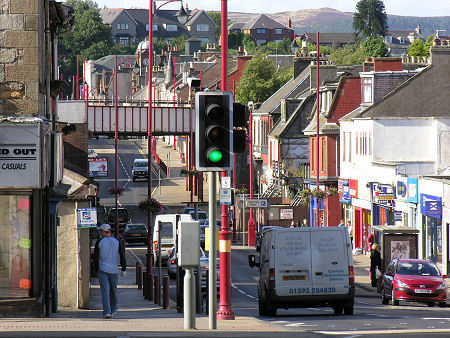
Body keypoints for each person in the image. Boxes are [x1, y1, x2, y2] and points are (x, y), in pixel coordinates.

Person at [94, 223, 127, 319]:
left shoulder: (99, 242)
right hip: (114, 270)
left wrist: (96, 269)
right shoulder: (116, 241)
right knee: (113, 290)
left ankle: (107, 312)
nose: (99, 232)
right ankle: (113, 309)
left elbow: (96, 257)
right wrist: (123, 268)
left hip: (103, 269)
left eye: (100, 231)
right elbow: (122, 255)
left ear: (104, 232)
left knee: (105, 291)